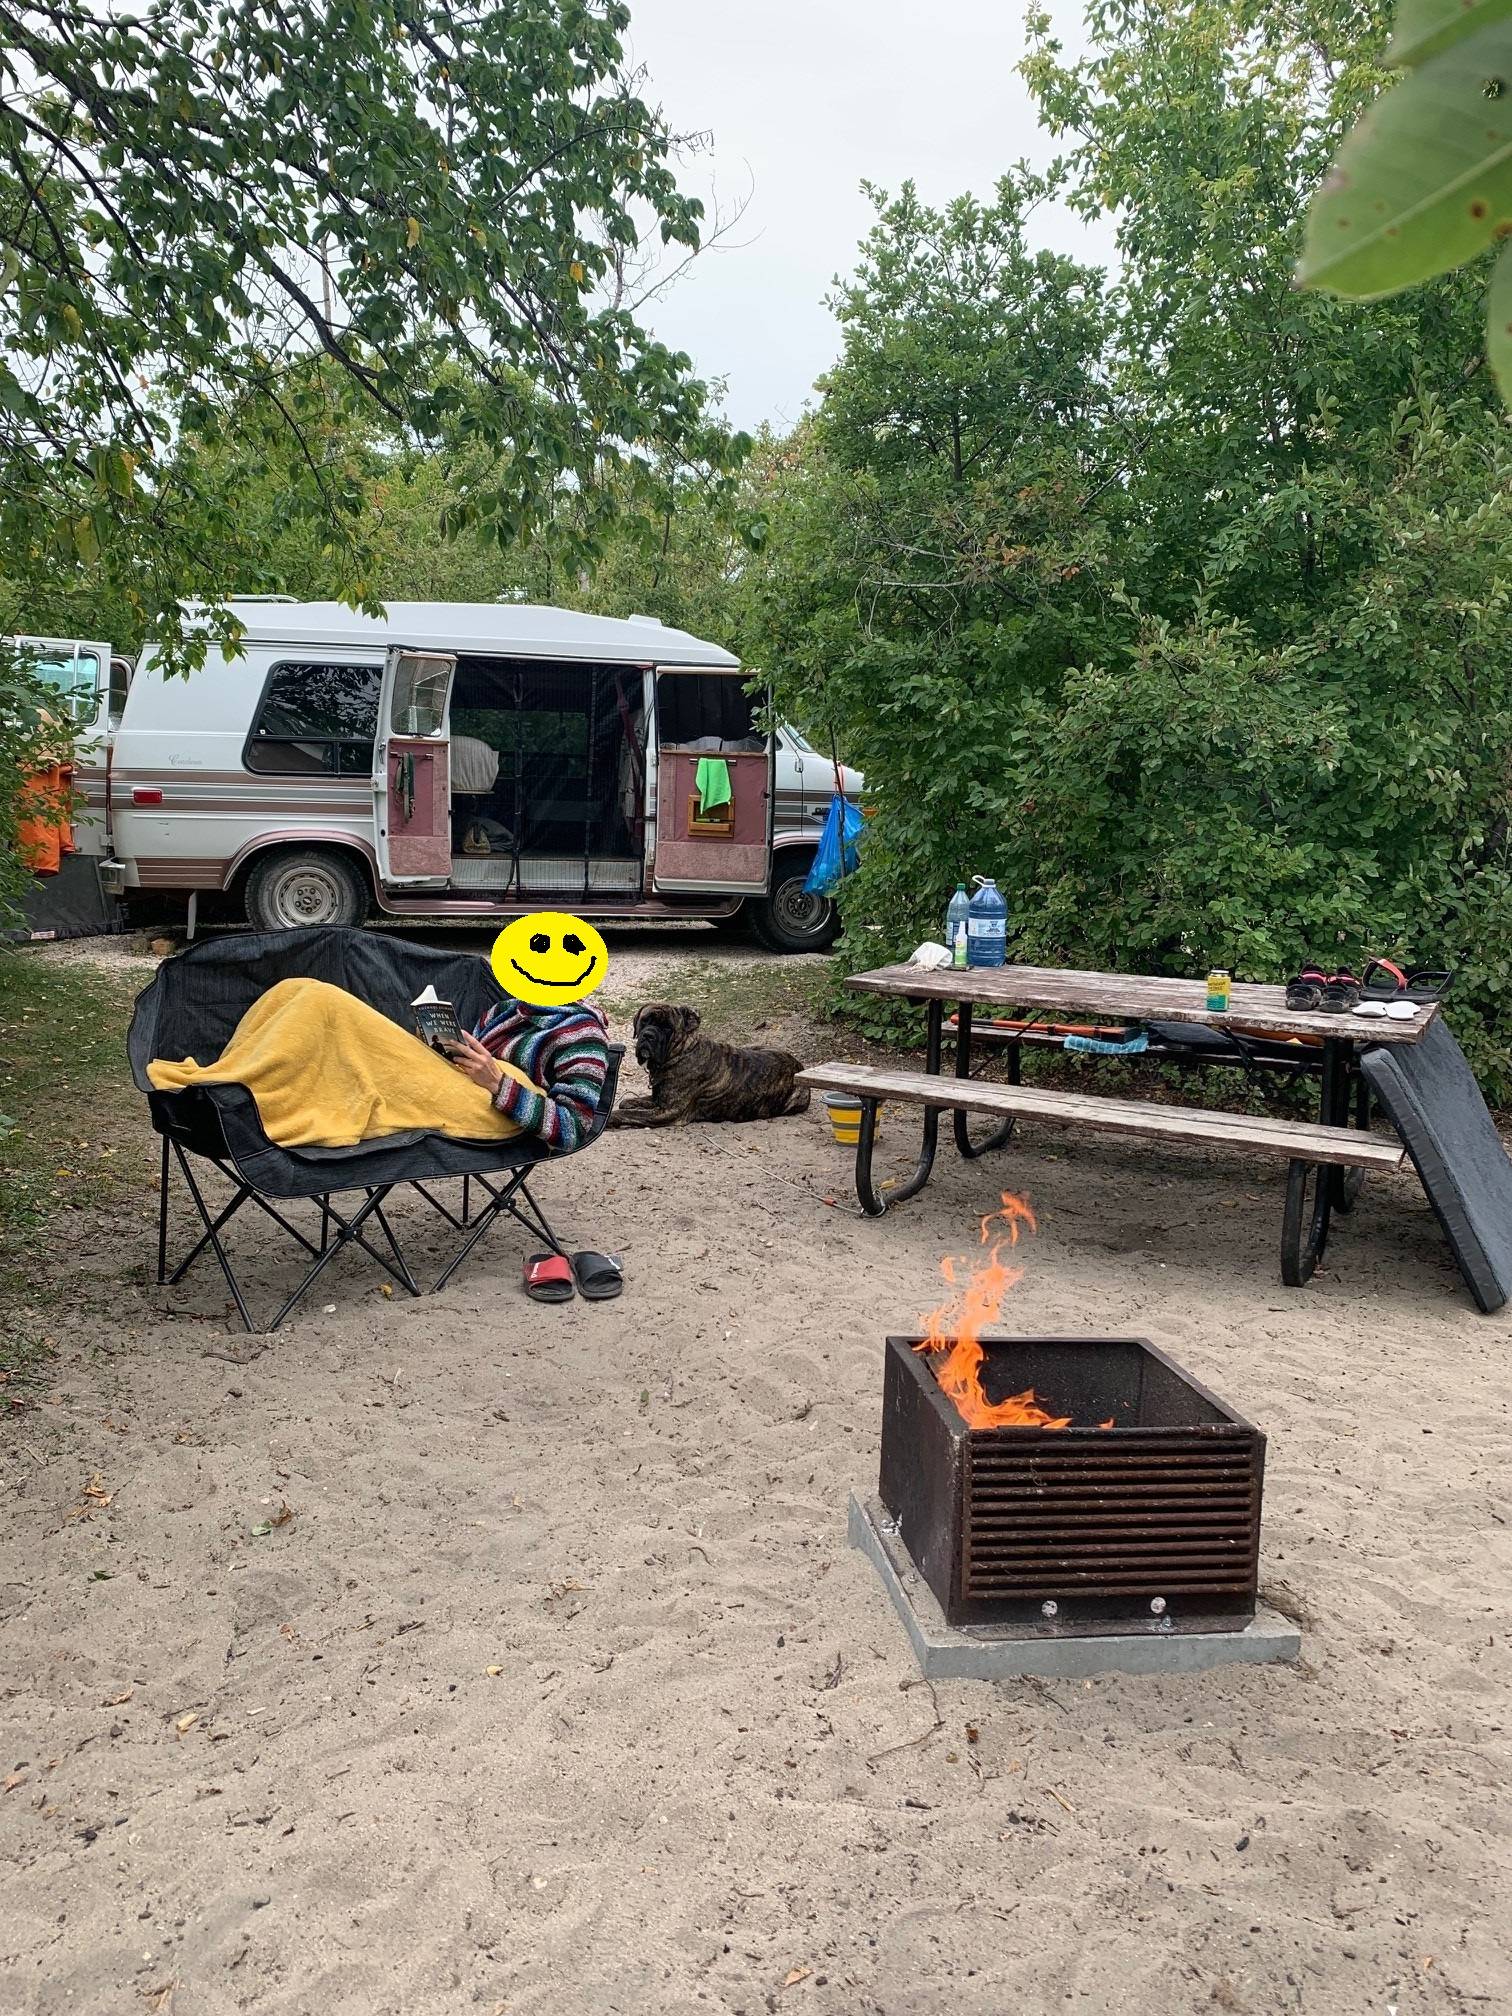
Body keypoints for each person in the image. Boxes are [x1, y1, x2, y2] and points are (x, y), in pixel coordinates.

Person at [448, 991, 610, 1153]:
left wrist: (498, 1084)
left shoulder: (582, 1033)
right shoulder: (503, 1011)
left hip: (504, 1130)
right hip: (458, 1102)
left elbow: (573, 1129)